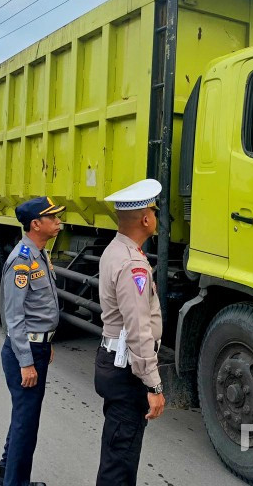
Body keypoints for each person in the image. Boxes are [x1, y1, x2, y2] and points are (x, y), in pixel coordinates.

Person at [95, 178, 165, 486]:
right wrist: (153, 386)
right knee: (121, 458)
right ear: (147, 219)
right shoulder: (133, 264)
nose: (156, 217)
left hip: (114, 361)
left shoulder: (115, 249)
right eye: (155, 211)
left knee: (117, 450)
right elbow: (138, 330)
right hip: (127, 373)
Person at [0, 196, 65, 486]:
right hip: (24, 351)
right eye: (53, 218)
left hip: (37, 347)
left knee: (24, 422)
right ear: (36, 224)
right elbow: (14, 318)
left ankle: (9, 480)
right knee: (26, 425)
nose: (59, 222)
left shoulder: (39, 253)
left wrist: (45, 344)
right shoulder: (22, 260)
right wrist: (26, 362)